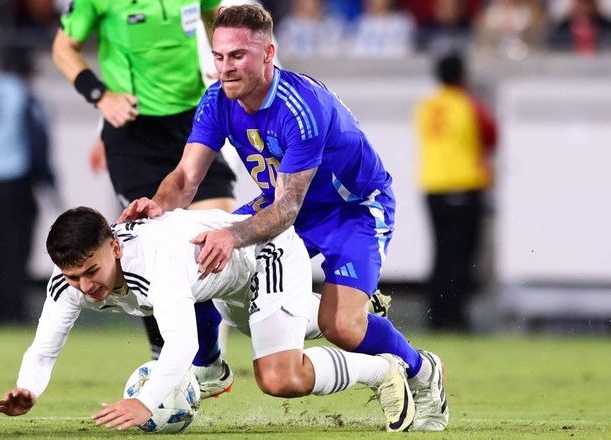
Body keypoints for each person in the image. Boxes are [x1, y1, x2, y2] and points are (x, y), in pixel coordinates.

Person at [119, 4, 448, 431]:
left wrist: (232, 236)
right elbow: (184, 177)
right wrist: (159, 205)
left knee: (343, 328)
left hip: (351, 210)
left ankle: (422, 371)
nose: (225, 67)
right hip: (282, 201)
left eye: (238, 55)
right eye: (219, 56)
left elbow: (288, 209)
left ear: (268, 53)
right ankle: (208, 366)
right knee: (191, 251)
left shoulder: (300, 107)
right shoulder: (217, 99)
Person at [0, 207, 416, 432]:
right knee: (288, 327)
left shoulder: (154, 262)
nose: (85, 286)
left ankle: (383, 370)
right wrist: (29, 388)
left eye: (91, 271)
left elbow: (182, 344)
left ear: (115, 248)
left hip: (264, 252)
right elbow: (43, 349)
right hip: (223, 284)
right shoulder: (67, 283)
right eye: (73, 277)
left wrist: (145, 401)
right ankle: (343, 308)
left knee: (279, 377)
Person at [51, 0, 238, 360]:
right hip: (134, 132)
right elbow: (63, 48)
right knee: (151, 243)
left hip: (194, 121)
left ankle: (210, 364)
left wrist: (223, 60)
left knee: (216, 236)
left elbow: (216, 16)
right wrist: (100, 96)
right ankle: (163, 357)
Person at [0, 45, 56, 324]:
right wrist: (47, 179)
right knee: (17, 244)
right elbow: (36, 139)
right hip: (15, 175)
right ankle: (12, 309)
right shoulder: (24, 95)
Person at [413, 52, 497, 331]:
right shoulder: (470, 105)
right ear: (462, 75)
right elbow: (492, 135)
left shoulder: (426, 106)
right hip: (464, 185)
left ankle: (436, 315)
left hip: (432, 186)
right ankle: (456, 317)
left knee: (440, 253)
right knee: (462, 256)